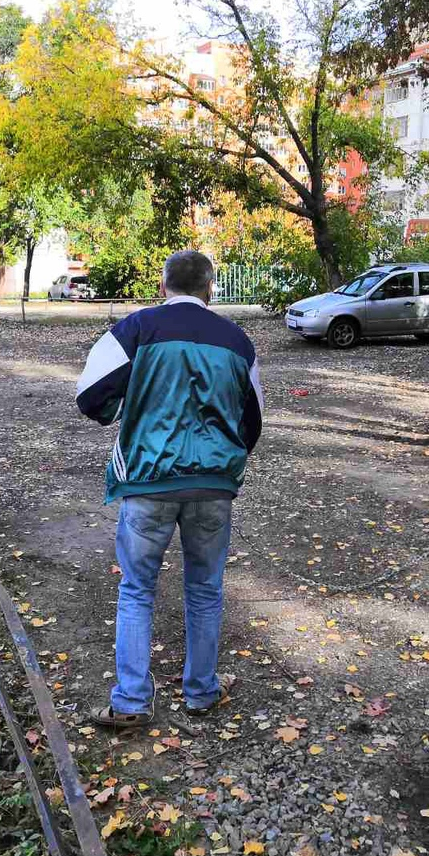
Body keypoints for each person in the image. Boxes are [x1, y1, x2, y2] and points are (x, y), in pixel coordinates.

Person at [75, 250, 263, 727]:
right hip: (213, 486)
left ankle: (131, 702)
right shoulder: (238, 342)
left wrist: (123, 412)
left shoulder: (136, 330)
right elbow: (252, 422)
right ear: (210, 288)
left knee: (137, 589)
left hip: (148, 481)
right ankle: (201, 692)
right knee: (205, 589)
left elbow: (90, 395)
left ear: (163, 286)